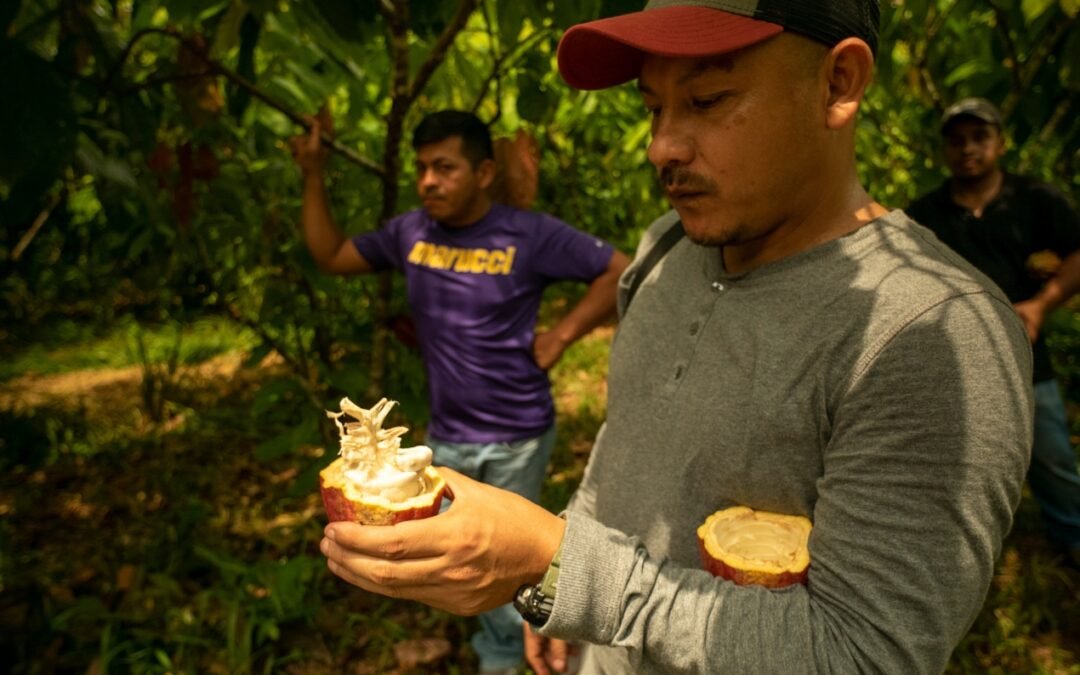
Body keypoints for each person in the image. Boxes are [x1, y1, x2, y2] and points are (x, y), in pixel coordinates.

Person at [317, 2, 1035, 673]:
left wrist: (557, 563)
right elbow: (628, 443)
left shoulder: (930, 333)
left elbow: (863, 652)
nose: (662, 146)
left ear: (838, 84)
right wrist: (562, 573)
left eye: (707, 100)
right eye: (653, 105)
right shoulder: (667, 248)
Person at [290, 109, 630, 674]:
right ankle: (523, 651)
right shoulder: (410, 233)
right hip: (445, 440)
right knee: (462, 560)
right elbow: (330, 256)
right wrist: (312, 173)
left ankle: (528, 657)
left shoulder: (529, 234)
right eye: (422, 168)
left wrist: (561, 336)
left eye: (444, 167)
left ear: (485, 172)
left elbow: (620, 270)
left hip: (517, 433)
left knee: (500, 561)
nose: (428, 181)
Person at [907, 97, 1080, 569]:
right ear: (945, 150)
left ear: (1000, 144)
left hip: (1025, 354)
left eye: (979, 137)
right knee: (951, 463)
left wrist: (1041, 305)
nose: (968, 149)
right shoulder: (926, 215)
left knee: (1050, 455)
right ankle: (958, 556)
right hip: (954, 364)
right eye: (957, 140)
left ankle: (1069, 536)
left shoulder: (1034, 201)